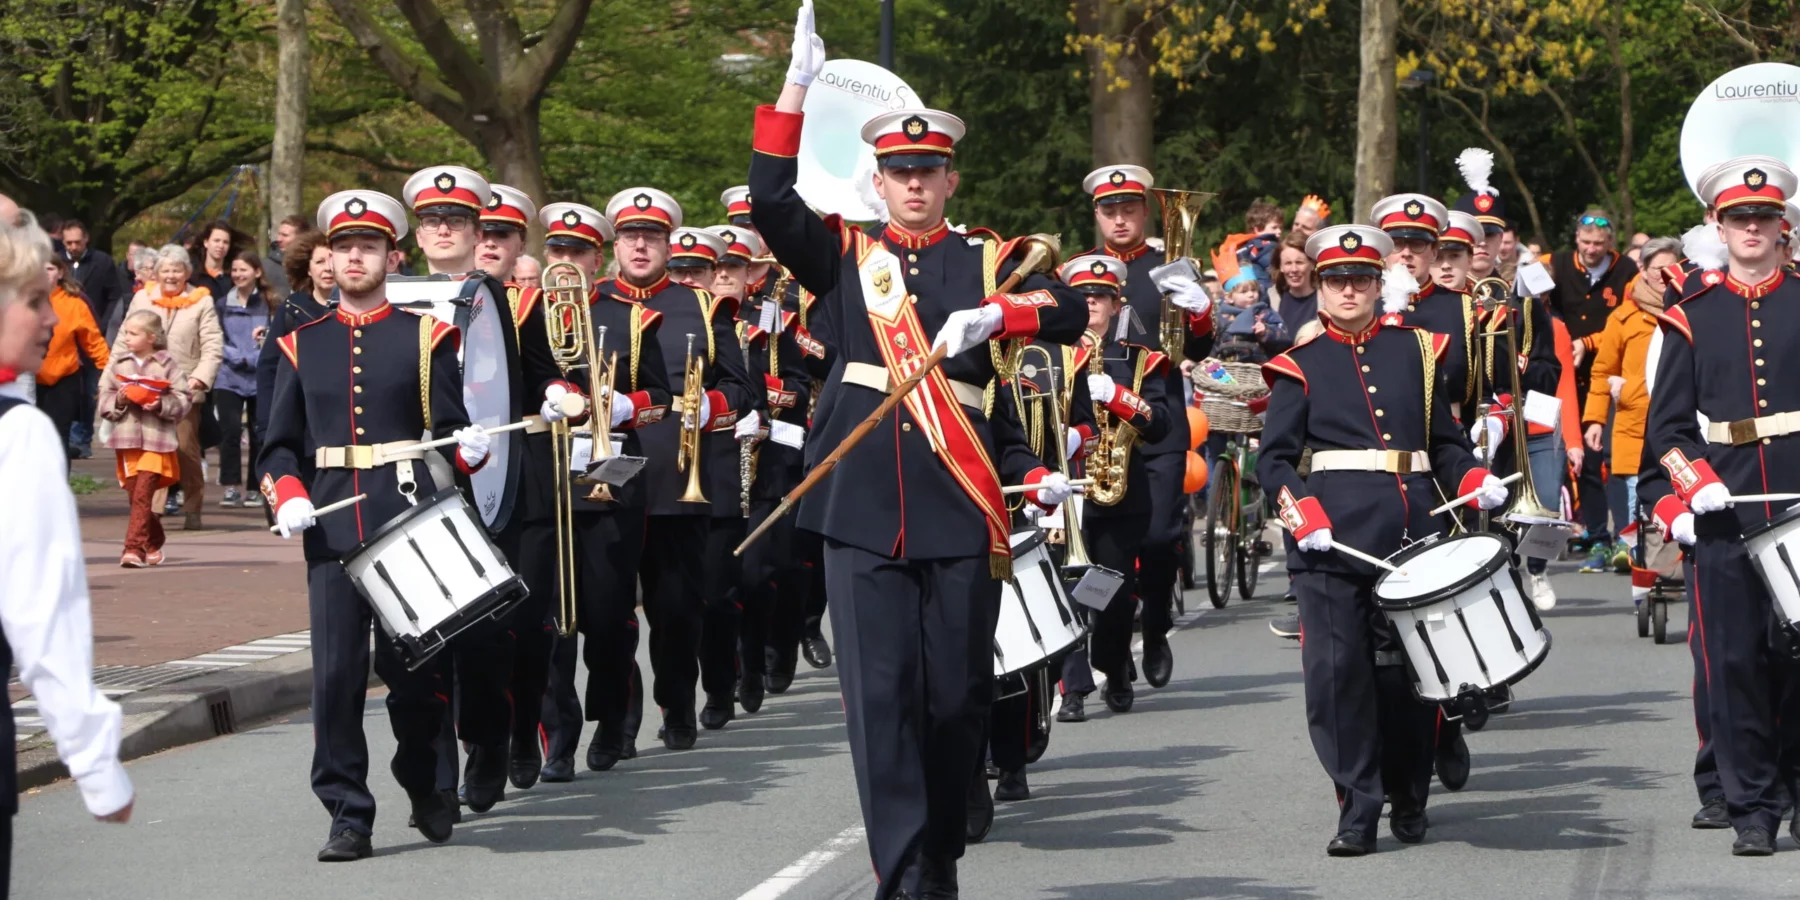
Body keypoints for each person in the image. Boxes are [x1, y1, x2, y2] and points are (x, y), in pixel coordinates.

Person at [749, 6, 1085, 893]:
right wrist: (794, 88)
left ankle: (938, 840)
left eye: (926, 172)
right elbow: (769, 198)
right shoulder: (846, 257)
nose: (912, 185)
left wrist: (1001, 313)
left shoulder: (987, 261)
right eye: (898, 172)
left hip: (958, 510)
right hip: (860, 509)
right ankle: (906, 874)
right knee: (880, 703)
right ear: (879, 178)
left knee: (954, 702)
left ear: (950, 179)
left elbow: (1074, 305)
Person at [1258, 222, 1508, 856]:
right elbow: (1276, 463)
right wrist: (1300, 512)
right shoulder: (1298, 365)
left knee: (1410, 676)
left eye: (1361, 279)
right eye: (1336, 279)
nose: (1349, 289)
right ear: (1319, 286)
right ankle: (1357, 808)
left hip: (1414, 532)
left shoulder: (1419, 349)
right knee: (1338, 677)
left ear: (1379, 283)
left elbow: (1444, 445)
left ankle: (1409, 792)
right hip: (1331, 543)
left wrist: (1474, 476)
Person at [258, 189, 494, 861]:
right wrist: (288, 495)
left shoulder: (425, 335)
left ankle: (426, 782)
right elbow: (276, 446)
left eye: (367, 246)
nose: (353, 257)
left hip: (407, 522)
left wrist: (466, 449)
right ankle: (347, 813)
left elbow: (449, 433)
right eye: (342, 247)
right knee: (335, 681)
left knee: (417, 674)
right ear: (327, 258)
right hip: (330, 525)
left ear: (393, 255)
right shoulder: (302, 343)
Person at [1640, 157, 1800, 856]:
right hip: (1724, 509)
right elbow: (1666, 430)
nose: (1753, 228)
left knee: (1795, 659)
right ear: (1718, 224)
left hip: (1797, 501)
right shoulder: (1691, 318)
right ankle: (1753, 809)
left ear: (1783, 226)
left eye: (1764, 217)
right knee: (1733, 664)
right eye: (1740, 217)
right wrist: (1692, 478)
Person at [0, 208, 135, 898]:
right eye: (32, 303)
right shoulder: (17, 434)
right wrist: (94, 761)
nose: (50, 320)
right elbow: (41, 610)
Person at [601, 186, 758, 751]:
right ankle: (616, 721)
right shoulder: (590, 303)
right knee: (609, 611)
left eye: (652, 237)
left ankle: (677, 702)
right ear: (615, 244)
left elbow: (741, 387)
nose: (641, 246)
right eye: (630, 236)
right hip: (606, 479)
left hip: (678, 476)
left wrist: (704, 408)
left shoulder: (703, 305)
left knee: (675, 609)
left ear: (667, 245)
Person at [398, 164, 524, 817]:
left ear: (478, 233)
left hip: (480, 478)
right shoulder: (388, 295)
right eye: (432, 220)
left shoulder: (490, 295)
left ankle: (489, 740)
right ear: (418, 233)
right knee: (425, 640)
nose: (443, 229)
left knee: (478, 640)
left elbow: (512, 381)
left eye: (457, 221)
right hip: (409, 479)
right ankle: (439, 781)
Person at [1078, 162, 1214, 694]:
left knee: (1158, 538)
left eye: (1129, 209)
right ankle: (1111, 653)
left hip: (1157, 420)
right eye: (1109, 210)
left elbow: (1195, 348)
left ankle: (1155, 629)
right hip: (1097, 427)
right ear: (1097, 214)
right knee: (1104, 552)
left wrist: (1199, 309)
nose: (1119, 218)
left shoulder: (1168, 263)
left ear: (1142, 210)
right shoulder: (1081, 273)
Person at [708, 224, 810, 723]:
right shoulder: (697, 320)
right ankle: (727, 673)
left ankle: (763, 659)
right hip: (715, 462)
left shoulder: (773, 321)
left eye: (735, 267)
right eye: (717, 267)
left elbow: (800, 386)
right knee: (721, 578)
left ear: (752, 273)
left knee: (761, 571)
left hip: (769, 462)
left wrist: (760, 398)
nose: (724, 276)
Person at [1543, 209, 1638, 567]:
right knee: (1580, 458)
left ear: (1610, 243)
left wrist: (1588, 342)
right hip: (1566, 377)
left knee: (1609, 458)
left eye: (1599, 243)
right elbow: (1526, 292)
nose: (1592, 249)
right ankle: (1596, 535)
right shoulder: (1554, 262)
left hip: (1609, 376)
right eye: (1585, 242)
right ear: (1576, 240)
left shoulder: (1628, 270)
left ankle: (1624, 537)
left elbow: (1630, 316)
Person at [114, 244, 223, 531]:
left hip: (185, 390)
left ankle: (193, 507)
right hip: (146, 385)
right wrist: (112, 376)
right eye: (165, 270)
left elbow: (212, 345)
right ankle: (153, 511)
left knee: (185, 449)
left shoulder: (202, 302)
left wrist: (201, 377)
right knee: (153, 450)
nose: (171, 275)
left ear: (187, 273)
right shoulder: (142, 299)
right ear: (156, 273)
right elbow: (124, 339)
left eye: (177, 270)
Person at [99, 310, 192, 567]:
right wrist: (120, 399)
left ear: (151, 337)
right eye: (126, 332)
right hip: (127, 440)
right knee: (134, 496)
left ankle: (132, 549)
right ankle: (153, 540)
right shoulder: (119, 364)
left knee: (143, 493)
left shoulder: (168, 365)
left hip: (157, 440)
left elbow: (184, 399)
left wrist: (159, 403)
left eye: (133, 333)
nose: (127, 337)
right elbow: (104, 399)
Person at [254, 230, 333, 447]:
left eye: (333, 260)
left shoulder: (355, 311)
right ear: (308, 268)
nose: (328, 268)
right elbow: (268, 367)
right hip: (300, 426)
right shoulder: (291, 309)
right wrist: (266, 425)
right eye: (319, 262)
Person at [212, 251, 272, 508]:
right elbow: (216, 337)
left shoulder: (270, 302)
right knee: (230, 432)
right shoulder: (222, 304)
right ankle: (231, 486)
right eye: (234, 270)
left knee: (259, 435)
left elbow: (274, 337)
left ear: (257, 272)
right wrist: (237, 357)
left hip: (260, 377)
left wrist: (258, 356)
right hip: (228, 375)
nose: (238, 275)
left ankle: (255, 488)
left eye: (243, 270)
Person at [36, 257, 109, 460]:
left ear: (60, 273)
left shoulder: (75, 304)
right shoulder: (23, 300)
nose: (44, 273)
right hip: (30, 379)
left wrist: (108, 372)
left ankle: (58, 486)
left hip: (64, 378)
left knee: (59, 439)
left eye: (49, 268)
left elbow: (94, 342)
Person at [1273, 230, 1318, 329]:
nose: (1294, 269)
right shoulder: (1272, 301)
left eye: (1299, 262)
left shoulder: (1324, 302)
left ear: (1312, 264)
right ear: (1281, 266)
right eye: (1288, 263)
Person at [185, 220, 239, 302]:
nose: (221, 246)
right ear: (206, 243)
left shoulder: (234, 277)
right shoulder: (191, 274)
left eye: (225, 242)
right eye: (216, 241)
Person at [265, 214, 307, 300]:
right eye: (279, 234)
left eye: (285, 235)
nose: (279, 239)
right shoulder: (266, 266)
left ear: (300, 238)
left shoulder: (313, 265)